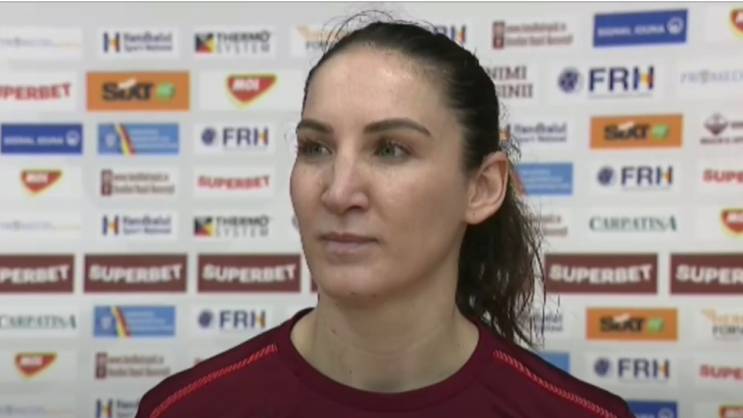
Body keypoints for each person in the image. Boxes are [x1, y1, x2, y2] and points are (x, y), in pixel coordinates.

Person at [135, 18, 633, 418]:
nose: (339, 191)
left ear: (482, 188)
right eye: (316, 148)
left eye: (391, 149)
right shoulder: (187, 409)